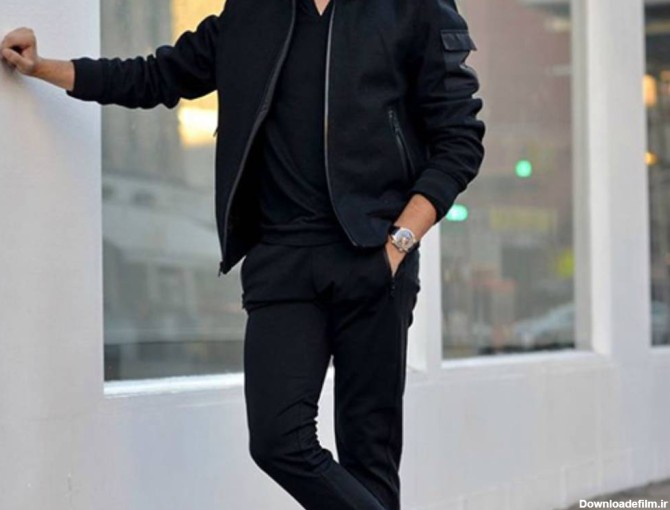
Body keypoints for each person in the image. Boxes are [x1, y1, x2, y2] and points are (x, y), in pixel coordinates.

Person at [1, 0, 484, 507]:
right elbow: (156, 77)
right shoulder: (255, 11)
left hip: (373, 259)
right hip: (282, 262)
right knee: (278, 441)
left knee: (370, 460)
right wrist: (43, 66)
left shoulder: (411, 8)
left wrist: (397, 245)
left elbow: (460, 140)